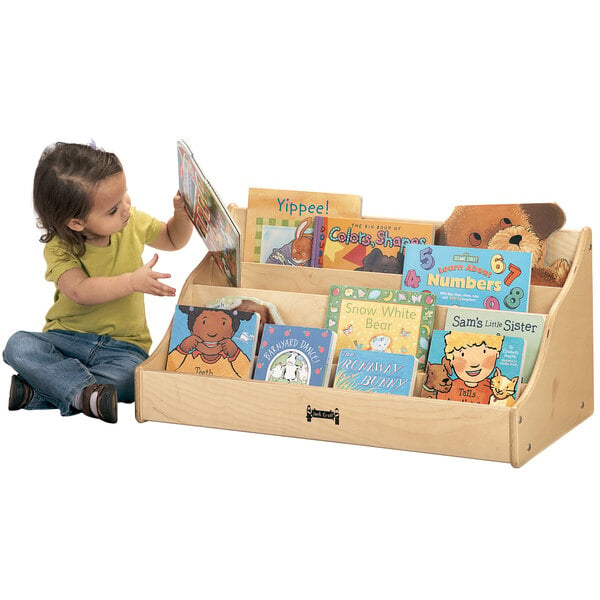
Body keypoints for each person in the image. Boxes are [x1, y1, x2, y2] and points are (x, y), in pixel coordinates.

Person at [3, 142, 193, 423]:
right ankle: (83, 393)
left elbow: (174, 239)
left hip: (124, 347)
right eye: (113, 210)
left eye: (125, 194)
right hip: (66, 339)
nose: (126, 208)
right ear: (77, 223)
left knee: (132, 381)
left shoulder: (133, 222)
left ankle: (43, 389)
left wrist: (182, 214)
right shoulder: (59, 248)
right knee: (17, 345)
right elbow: (80, 291)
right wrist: (131, 281)